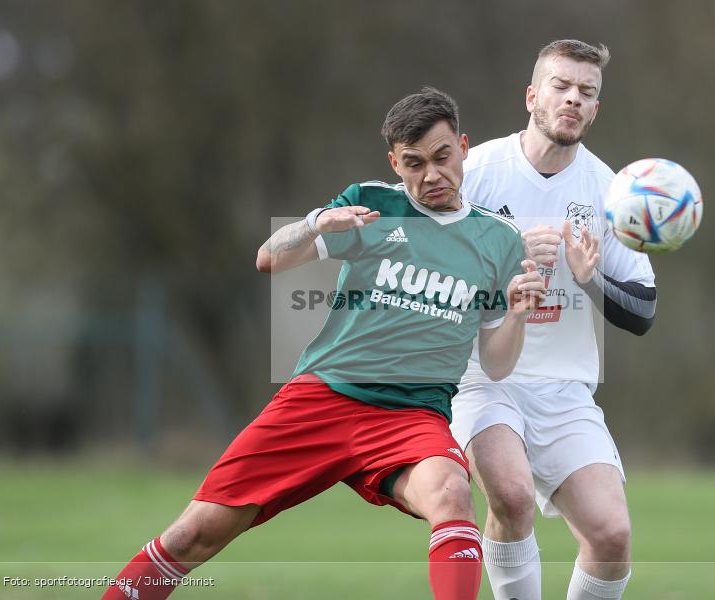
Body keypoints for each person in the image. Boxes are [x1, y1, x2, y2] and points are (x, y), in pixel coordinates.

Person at [101, 87, 547, 600]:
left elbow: (495, 364)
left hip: (413, 416)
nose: (431, 175)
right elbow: (269, 259)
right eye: (414, 163)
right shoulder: (372, 204)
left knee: (451, 492)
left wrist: (517, 316)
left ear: (464, 147)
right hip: (321, 399)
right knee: (192, 535)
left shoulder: (500, 240)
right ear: (394, 164)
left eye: (442, 157)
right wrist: (315, 223)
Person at [449, 40, 658, 600]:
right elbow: (421, 256)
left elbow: (643, 311)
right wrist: (503, 248)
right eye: (561, 87)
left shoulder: (608, 190)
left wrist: (589, 278)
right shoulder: (476, 172)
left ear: (596, 108)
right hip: (483, 379)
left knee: (611, 535)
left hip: (565, 391)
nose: (573, 99)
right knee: (511, 498)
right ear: (531, 96)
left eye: (586, 92)